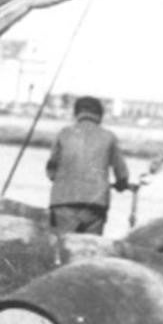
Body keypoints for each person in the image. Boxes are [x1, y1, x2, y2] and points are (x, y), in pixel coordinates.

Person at [46, 96, 133, 234]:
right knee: (91, 249)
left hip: (63, 203)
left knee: (61, 247)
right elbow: (122, 175)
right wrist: (121, 186)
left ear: (76, 114)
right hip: (95, 205)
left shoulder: (64, 134)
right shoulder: (109, 137)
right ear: (100, 115)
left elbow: (51, 171)